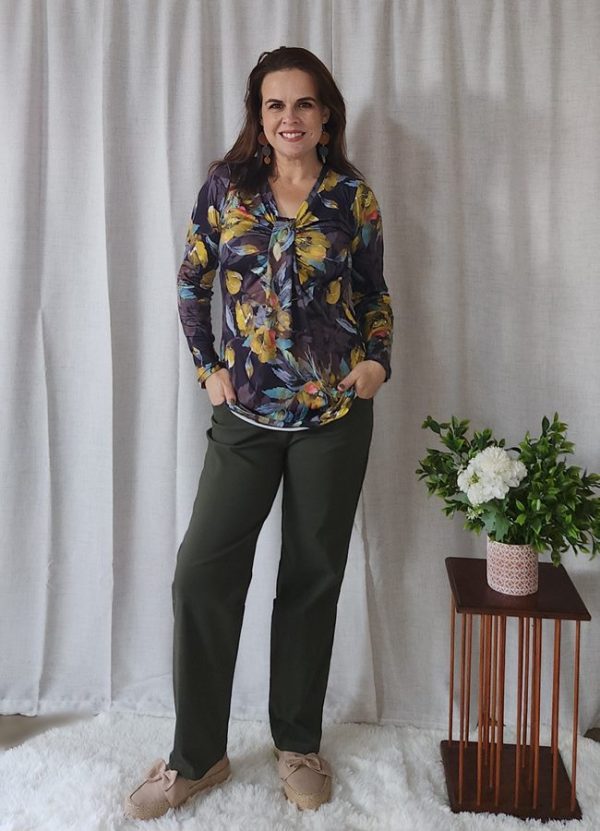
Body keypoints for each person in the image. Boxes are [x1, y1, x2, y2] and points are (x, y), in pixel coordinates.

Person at [124, 45, 393, 820]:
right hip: (243, 417)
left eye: (303, 104)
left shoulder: (353, 198)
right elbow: (190, 280)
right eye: (275, 106)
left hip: (334, 419)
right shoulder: (228, 189)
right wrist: (208, 366)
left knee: (311, 580)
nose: (289, 119)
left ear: (326, 113)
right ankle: (197, 755)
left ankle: (298, 742)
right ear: (259, 115)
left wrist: (376, 362)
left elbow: (375, 294)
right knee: (202, 572)